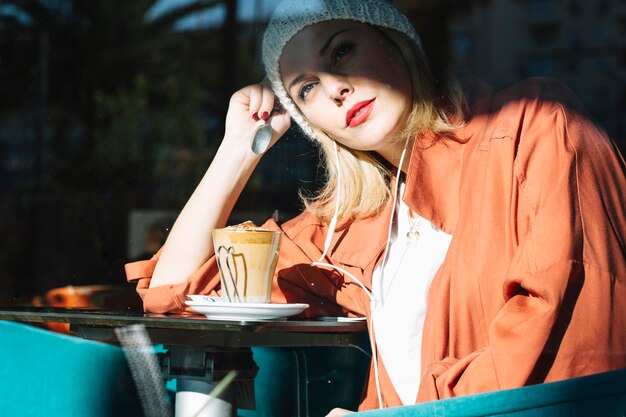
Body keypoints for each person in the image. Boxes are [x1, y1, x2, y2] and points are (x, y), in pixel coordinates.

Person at [125, 0, 626, 415]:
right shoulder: (357, 223)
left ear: (395, 40)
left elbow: (571, 338)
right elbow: (177, 290)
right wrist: (238, 149)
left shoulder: (535, 128)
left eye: (341, 51)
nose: (334, 89)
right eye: (306, 90)